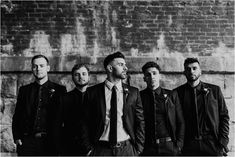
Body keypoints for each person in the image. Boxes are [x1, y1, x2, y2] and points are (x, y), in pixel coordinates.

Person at [83, 51, 145, 156]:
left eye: (125, 65)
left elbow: (140, 122)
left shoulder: (133, 92)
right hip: (100, 150)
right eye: (121, 65)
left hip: (127, 150)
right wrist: (88, 149)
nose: (125, 68)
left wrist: (138, 148)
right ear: (110, 68)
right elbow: (84, 122)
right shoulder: (92, 92)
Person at [12, 55, 66, 156]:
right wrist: (17, 138)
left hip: (51, 143)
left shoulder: (60, 90)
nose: (38, 69)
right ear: (32, 68)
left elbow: (64, 118)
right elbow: (17, 116)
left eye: (41, 66)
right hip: (27, 142)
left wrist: (61, 140)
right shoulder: (24, 90)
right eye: (35, 66)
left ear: (48, 68)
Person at [175, 57, 229, 156]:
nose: (191, 71)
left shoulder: (214, 90)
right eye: (188, 69)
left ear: (201, 71)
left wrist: (223, 141)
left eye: (194, 68)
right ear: (184, 72)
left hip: (212, 143)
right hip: (188, 145)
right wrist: (178, 144)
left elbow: (224, 116)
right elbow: (174, 120)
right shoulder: (177, 93)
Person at [140, 61, 185, 156]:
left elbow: (180, 121)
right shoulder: (139, 96)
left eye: (154, 73)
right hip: (148, 148)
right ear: (144, 78)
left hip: (169, 146)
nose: (152, 77)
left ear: (159, 76)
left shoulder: (171, 95)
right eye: (148, 75)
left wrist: (179, 145)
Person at [58, 64, 91, 155]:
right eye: (77, 74)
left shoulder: (97, 97)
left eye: (84, 74)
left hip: (94, 148)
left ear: (89, 77)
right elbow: (58, 125)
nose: (81, 77)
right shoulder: (64, 98)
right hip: (70, 148)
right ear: (72, 78)